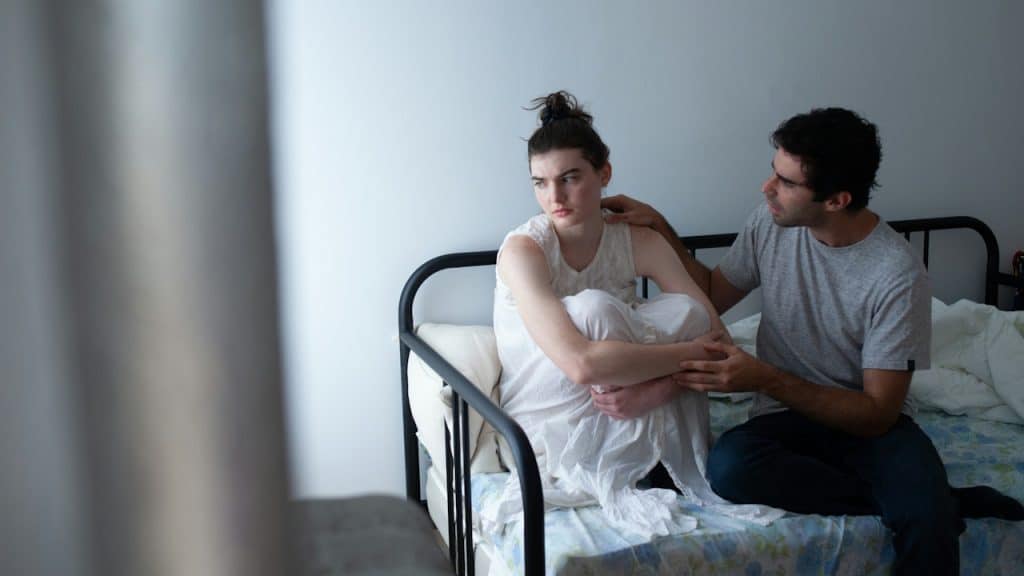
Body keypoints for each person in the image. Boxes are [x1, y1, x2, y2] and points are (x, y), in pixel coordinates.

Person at [603, 107, 1024, 574]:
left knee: (929, 525)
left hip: (867, 423)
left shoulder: (896, 273)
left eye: (786, 182)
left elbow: (878, 412)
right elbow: (712, 297)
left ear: (837, 200)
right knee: (730, 468)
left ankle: (925, 504)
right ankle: (936, 500)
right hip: (785, 419)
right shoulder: (771, 224)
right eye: (773, 172)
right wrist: (662, 229)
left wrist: (763, 376)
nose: (767, 188)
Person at [482, 91, 781, 538]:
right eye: (540, 183)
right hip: (549, 413)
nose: (554, 197)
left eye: (570, 178)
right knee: (595, 307)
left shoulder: (634, 240)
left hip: (628, 395)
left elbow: (716, 337)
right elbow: (580, 364)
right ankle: (624, 457)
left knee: (686, 311)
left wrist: (659, 389)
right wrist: (682, 361)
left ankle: (643, 452)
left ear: (604, 173)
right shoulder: (524, 250)